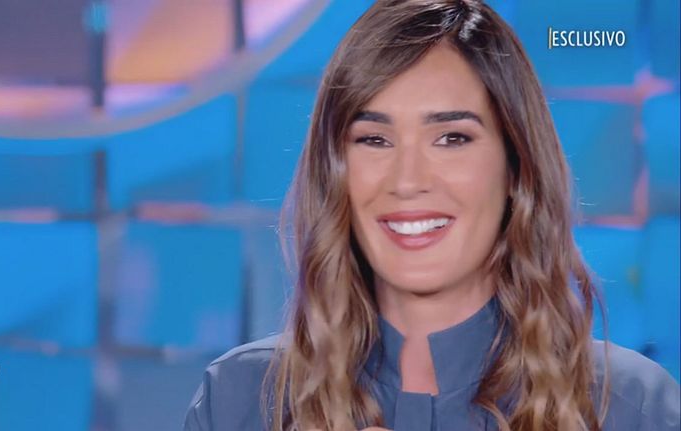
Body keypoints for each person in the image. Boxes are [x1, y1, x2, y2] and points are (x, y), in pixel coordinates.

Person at [183, 0, 680, 430]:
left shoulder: (631, 407)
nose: (407, 180)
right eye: (374, 139)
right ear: (336, 171)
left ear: (516, 166)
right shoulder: (239, 399)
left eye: (452, 138)